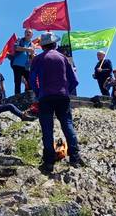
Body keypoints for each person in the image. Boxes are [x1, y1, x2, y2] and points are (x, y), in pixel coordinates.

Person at [29, 32, 83, 174]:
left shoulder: (38, 59)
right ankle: (75, 157)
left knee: (47, 128)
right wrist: (66, 90)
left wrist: (39, 92)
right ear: (55, 44)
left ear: (42, 46)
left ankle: (49, 161)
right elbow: (75, 80)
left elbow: (32, 79)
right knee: (67, 125)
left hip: (45, 97)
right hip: (62, 96)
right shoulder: (63, 58)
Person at [11, 28, 34, 95]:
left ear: (32, 35)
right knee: (17, 82)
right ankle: (17, 97)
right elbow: (16, 47)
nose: (28, 33)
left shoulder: (32, 45)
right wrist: (27, 49)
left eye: (29, 32)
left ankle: (30, 95)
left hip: (26, 66)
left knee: (30, 81)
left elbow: (32, 57)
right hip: (17, 64)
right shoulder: (20, 39)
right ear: (24, 33)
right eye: (26, 32)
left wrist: (32, 54)